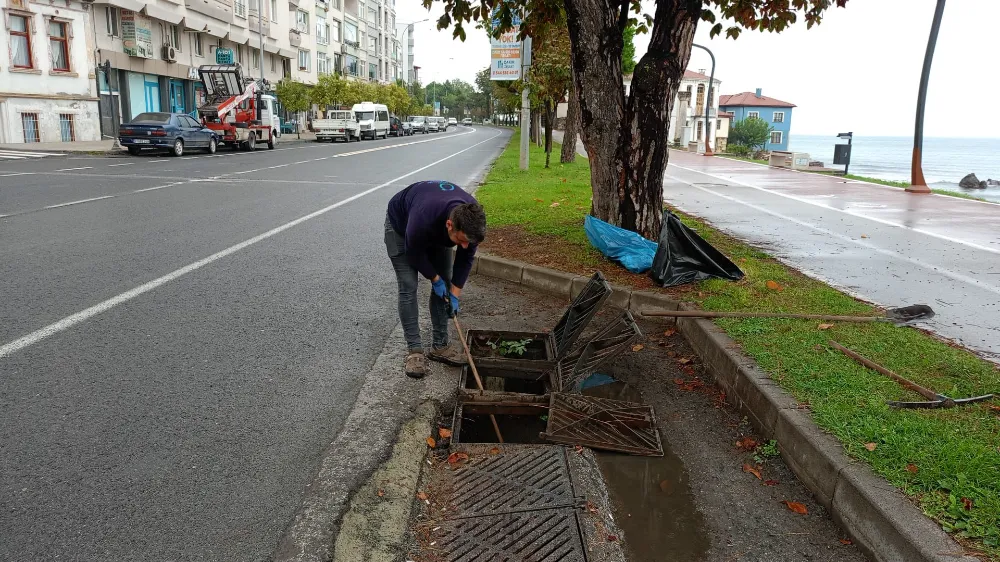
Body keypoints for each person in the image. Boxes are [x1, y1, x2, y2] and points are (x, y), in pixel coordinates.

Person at [385, 180, 487, 379]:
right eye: (461, 241)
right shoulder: (423, 217)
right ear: (450, 225)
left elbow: (465, 260)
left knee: (447, 281)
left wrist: (454, 294)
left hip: (434, 229)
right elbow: (414, 253)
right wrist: (434, 278)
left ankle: (440, 346)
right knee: (408, 285)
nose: (465, 246)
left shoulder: (472, 223)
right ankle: (415, 351)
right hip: (401, 227)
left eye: (469, 242)